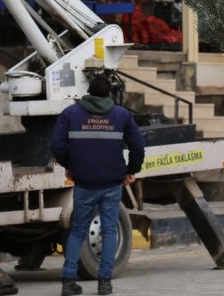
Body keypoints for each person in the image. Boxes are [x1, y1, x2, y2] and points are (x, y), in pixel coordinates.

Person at [50, 70, 145, 296]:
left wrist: (70, 165)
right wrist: (131, 170)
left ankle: (68, 282)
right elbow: (138, 147)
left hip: (84, 183)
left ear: (88, 92)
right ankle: (104, 282)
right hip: (112, 183)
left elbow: (56, 146)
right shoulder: (121, 115)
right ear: (109, 93)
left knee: (78, 231)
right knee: (109, 230)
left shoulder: (70, 114)